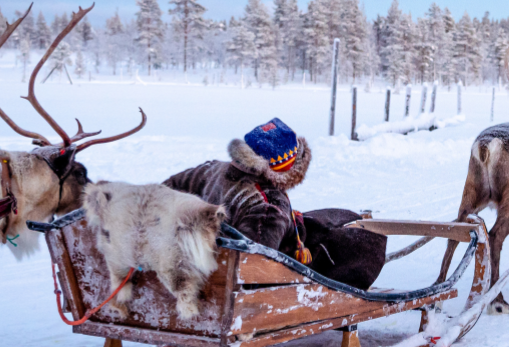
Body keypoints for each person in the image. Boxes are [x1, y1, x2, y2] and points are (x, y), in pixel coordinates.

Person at [164, 118, 386, 289]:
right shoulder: (268, 205)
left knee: (338, 218)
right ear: (284, 168)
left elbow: (163, 192)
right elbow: (255, 269)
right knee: (366, 241)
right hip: (265, 272)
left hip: (211, 256)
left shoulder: (210, 169)